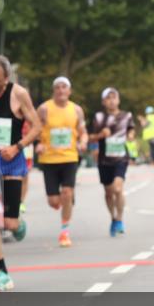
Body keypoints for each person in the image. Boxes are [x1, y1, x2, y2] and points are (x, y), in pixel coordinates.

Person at [0, 54, 41, 291]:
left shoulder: (18, 94)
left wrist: (17, 147)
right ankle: (2, 272)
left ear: (7, 79)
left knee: (10, 224)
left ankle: (18, 222)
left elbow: (37, 126)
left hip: (12, 158)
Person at [36, 76, 88, 247]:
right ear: (54, 91)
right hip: (49, 159)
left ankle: (65, 231)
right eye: (57, 87)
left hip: (69, 157)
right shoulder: (44, 109)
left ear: (69, 91)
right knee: (54, 202)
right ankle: (65, 201)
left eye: (64, 87)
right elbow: (35, 129)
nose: (61, 90)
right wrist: (39, 144)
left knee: (66, 192)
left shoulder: (77, 110)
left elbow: (83, 131)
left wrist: (83, 141)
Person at [87, 87, 135, 237]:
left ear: (119, 100)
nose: (112, 100)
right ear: (103, 102)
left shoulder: (127, 116)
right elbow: (90, 137)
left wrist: (131, 135)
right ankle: (113, 218)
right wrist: (101, 135)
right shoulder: (99, 117)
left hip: (121, 158)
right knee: (108, 192)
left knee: (118, 189)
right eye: (108, 98)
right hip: (104, 160)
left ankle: (120, 219)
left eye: (114, 97)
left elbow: (131, 130)